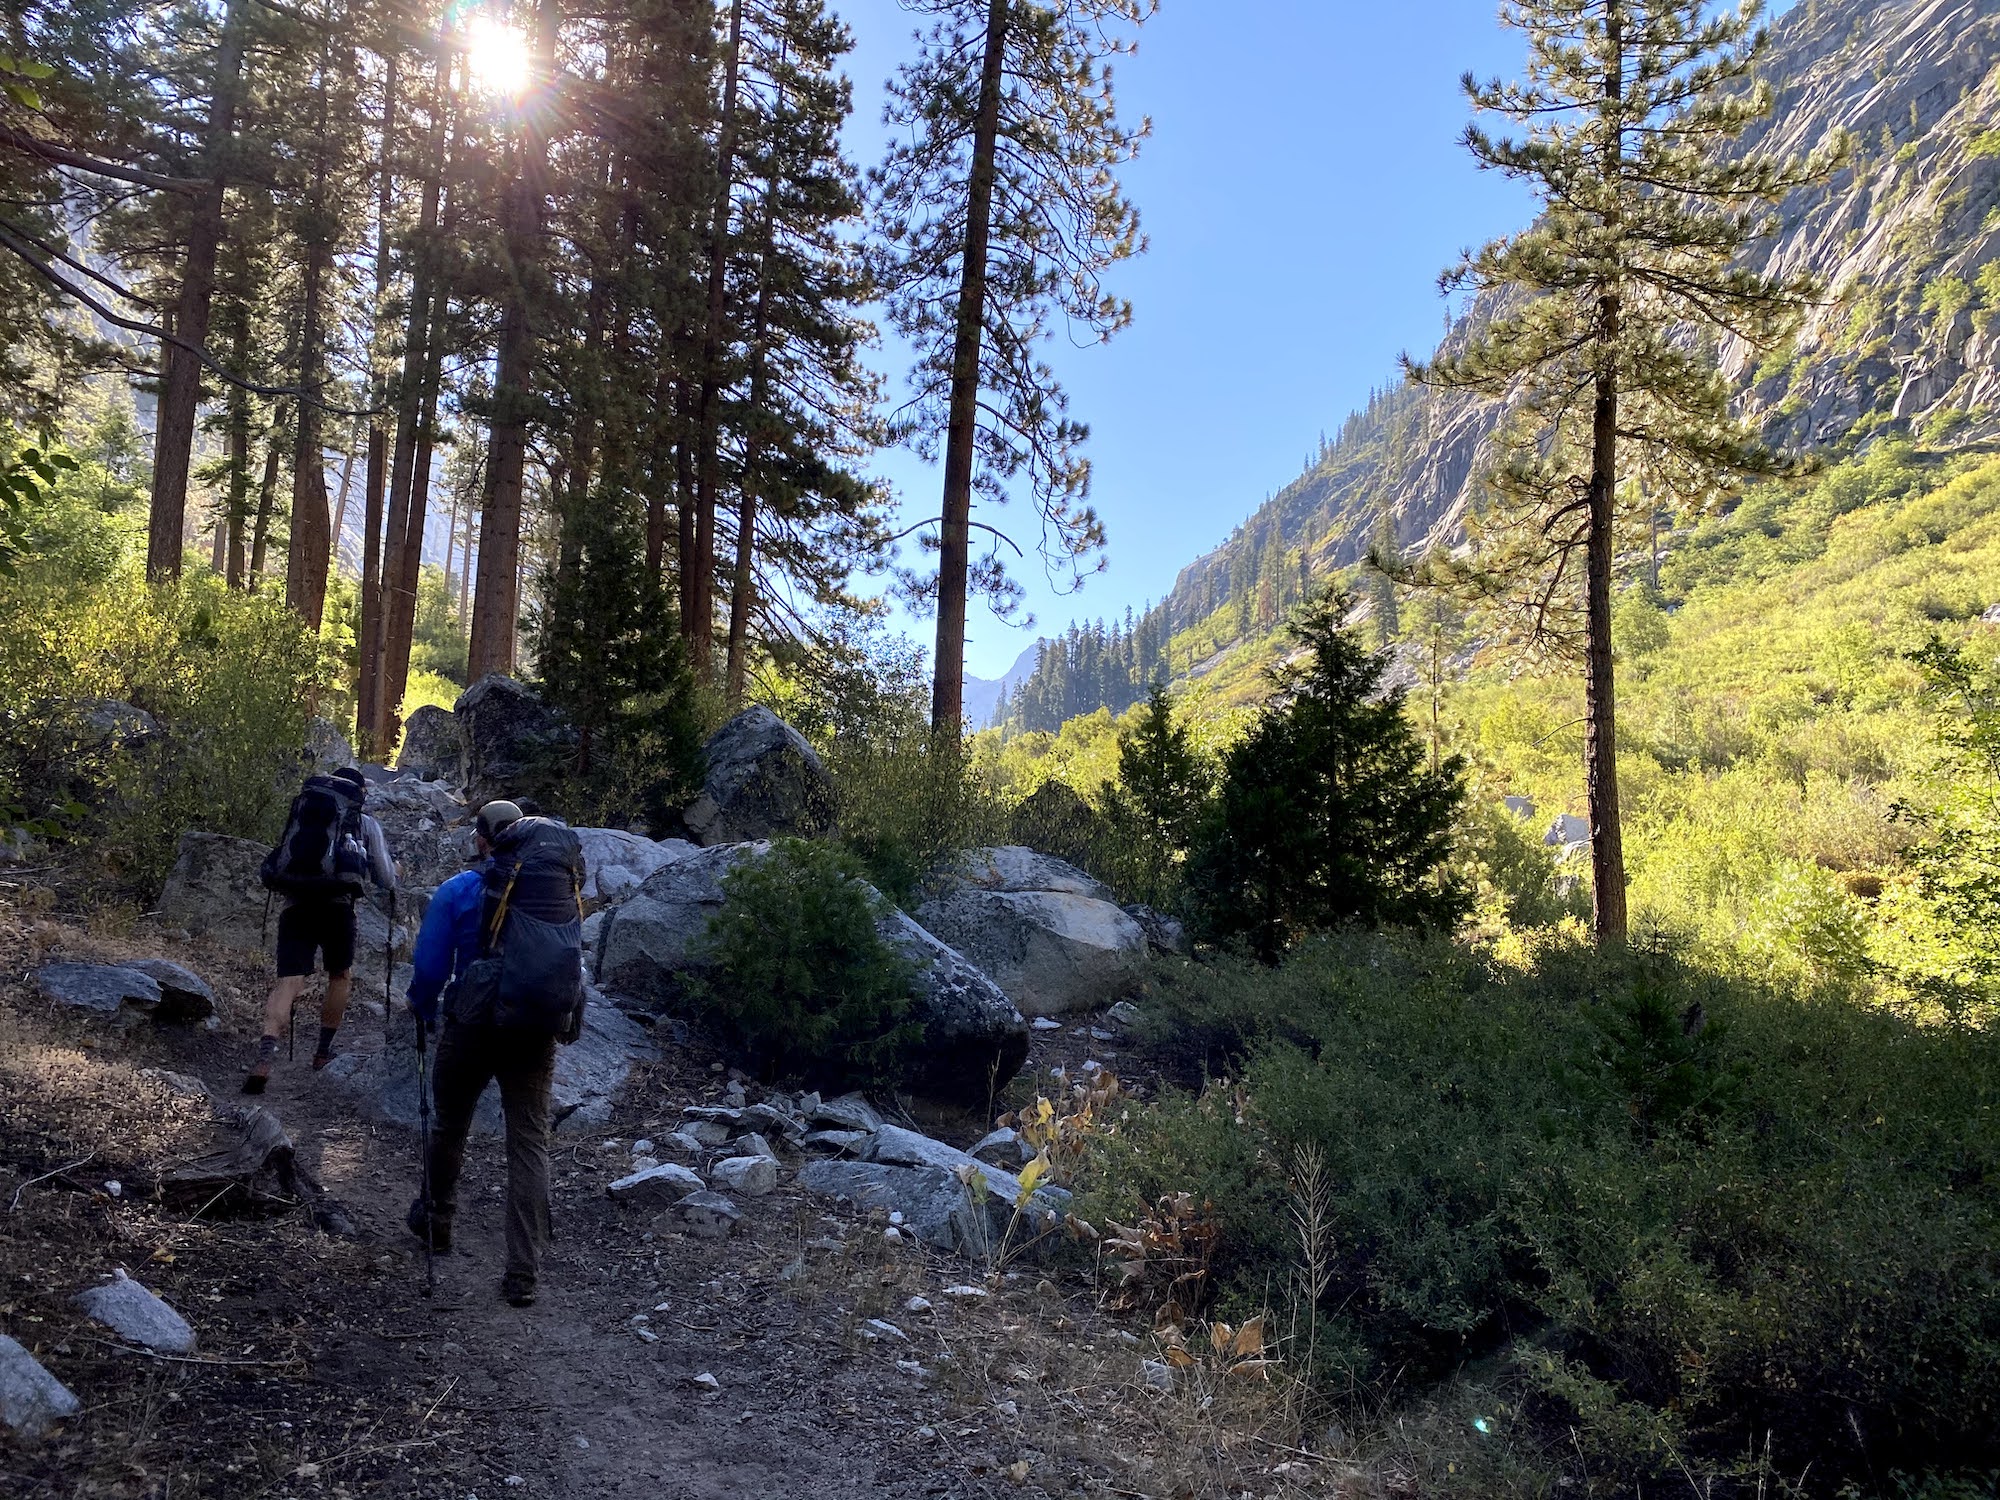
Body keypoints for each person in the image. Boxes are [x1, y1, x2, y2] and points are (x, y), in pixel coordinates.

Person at [404, 800, 577, 1307]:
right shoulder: (555, 892)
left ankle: (438, 1218)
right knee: (528, 1143)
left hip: (472, 1025)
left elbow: (431, 970)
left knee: (449, 1124)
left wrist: (422, 1007)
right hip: (533, 1030)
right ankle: (523, 1271)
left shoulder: (459, 890)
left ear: (483, 841)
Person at [245, 766, 397, 1093]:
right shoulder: (363, 822)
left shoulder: (304, 811)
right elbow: (385, 877)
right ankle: (323, 1052)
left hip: (295, 904)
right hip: (337, 907)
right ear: (359, 794)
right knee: (340, 974)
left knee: (289, 981)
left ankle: (265, 1056)